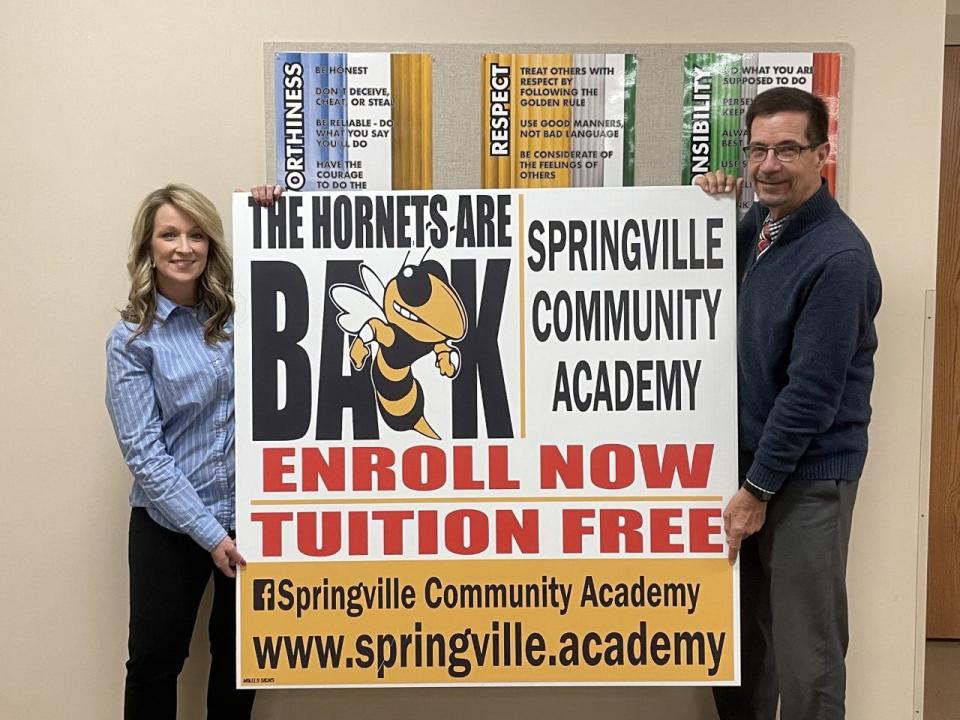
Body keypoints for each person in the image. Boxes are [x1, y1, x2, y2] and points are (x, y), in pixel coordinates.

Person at [695, 88, 881, 720]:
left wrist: (757, 489)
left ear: (823, 154)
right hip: (747, 471)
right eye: (757, 150)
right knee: (740, 651)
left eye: (788, 149)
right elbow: (703, 278)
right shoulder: (759, 230)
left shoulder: (839, 256)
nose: (769, 164)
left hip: (803, 478)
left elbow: (812, 394)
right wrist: (714, 208)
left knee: (807, 661)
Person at [106, 184, 274, 719]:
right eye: (169, 234)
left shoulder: (244, 315)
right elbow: (145, 454)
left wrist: (278, 208)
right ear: (148, 248)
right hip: (170, 527)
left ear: (211, 245)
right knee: (155, 664)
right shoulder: (132, 339)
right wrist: (209, 534)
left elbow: (302, 266)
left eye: (196, 234)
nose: (184, 247)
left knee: (240, 666)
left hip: (252, 521)